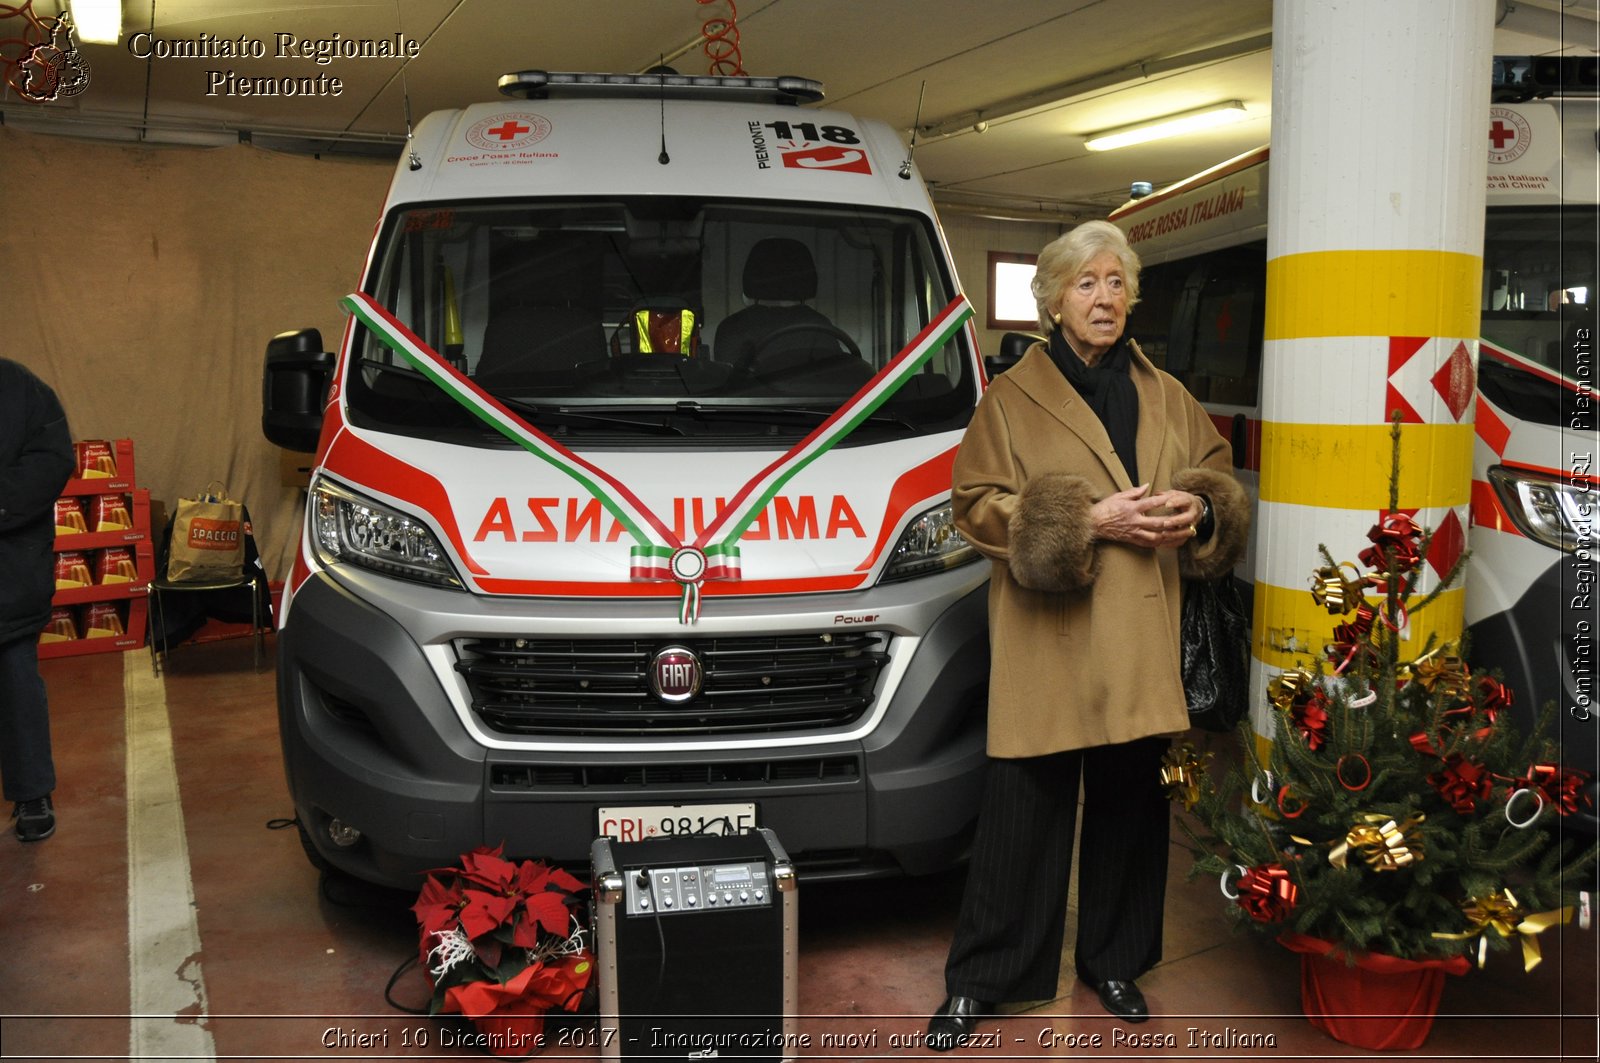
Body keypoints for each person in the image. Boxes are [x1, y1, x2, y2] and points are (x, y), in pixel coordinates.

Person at [926, 220, 1247, 1048]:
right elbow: (974, 506)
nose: (1103, 298)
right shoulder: (1010, 398)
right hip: (1050, 637)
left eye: (1115, 282)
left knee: (1130, 810)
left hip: (1141, 633)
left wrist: (1200, 507)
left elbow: (1214, 474)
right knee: (1020, 814)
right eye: (1085, 284)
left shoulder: (1168, 392)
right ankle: (983, 979)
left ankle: (1114, 962)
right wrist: (1084, 517)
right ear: (1053, 300)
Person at [0, 359, 74, 842]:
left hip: (7, 568)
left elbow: (52, 458)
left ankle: (31, 794)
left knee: (14, 678)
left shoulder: (18, 387)